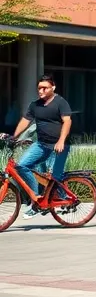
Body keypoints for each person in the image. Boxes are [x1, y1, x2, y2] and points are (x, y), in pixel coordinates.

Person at [10, 74, 72, 219]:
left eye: (45, 88)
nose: (41, 91)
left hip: (58, 146)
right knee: (22, 166)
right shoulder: (35, 105)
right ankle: (36, 200)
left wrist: (61, 140)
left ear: (53, 87)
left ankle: (65, 201)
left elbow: (67, 121)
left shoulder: (61, 103)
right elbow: (25, 121)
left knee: (54, 176)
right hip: (41, 144)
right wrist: (14, 137)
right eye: (39, 88)